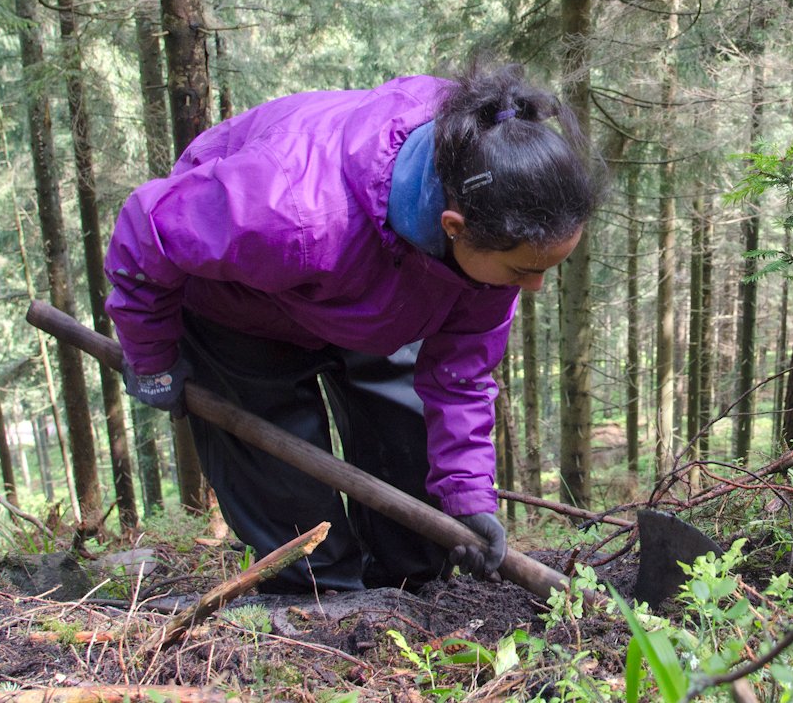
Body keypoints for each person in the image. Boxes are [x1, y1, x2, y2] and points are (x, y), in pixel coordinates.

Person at [105, 61, 598, 593]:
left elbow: (460, 374)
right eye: (527, 271)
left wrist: (468, 497)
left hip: (382, 294)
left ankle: (403, 593)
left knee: (419, 533)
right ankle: (319, 603)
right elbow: (148, 226)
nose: (535, 287)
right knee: (296, 532)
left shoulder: (491, 226)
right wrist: (152, 358)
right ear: (454, 228)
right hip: (242, 303)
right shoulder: (290, 208)